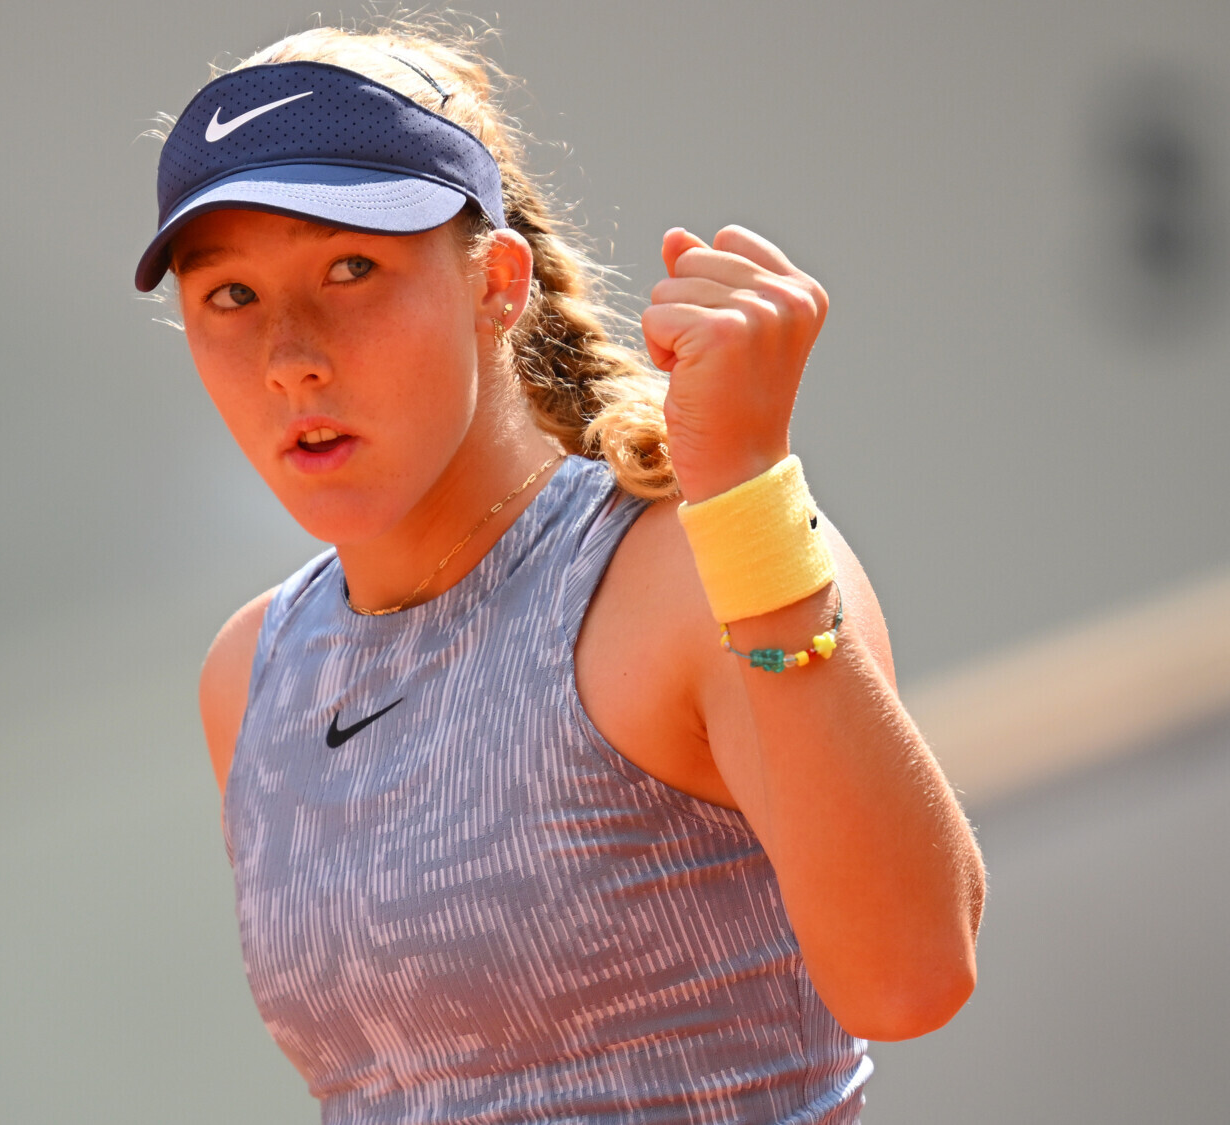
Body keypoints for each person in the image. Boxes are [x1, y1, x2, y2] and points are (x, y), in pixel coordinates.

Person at [136, 18, 985, 1125]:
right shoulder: (251, 671)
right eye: (230, 296)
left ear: (495, 282)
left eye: (351, 268)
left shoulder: (691, 558)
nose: (290, 357)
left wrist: (745, 492)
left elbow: (909, 979)